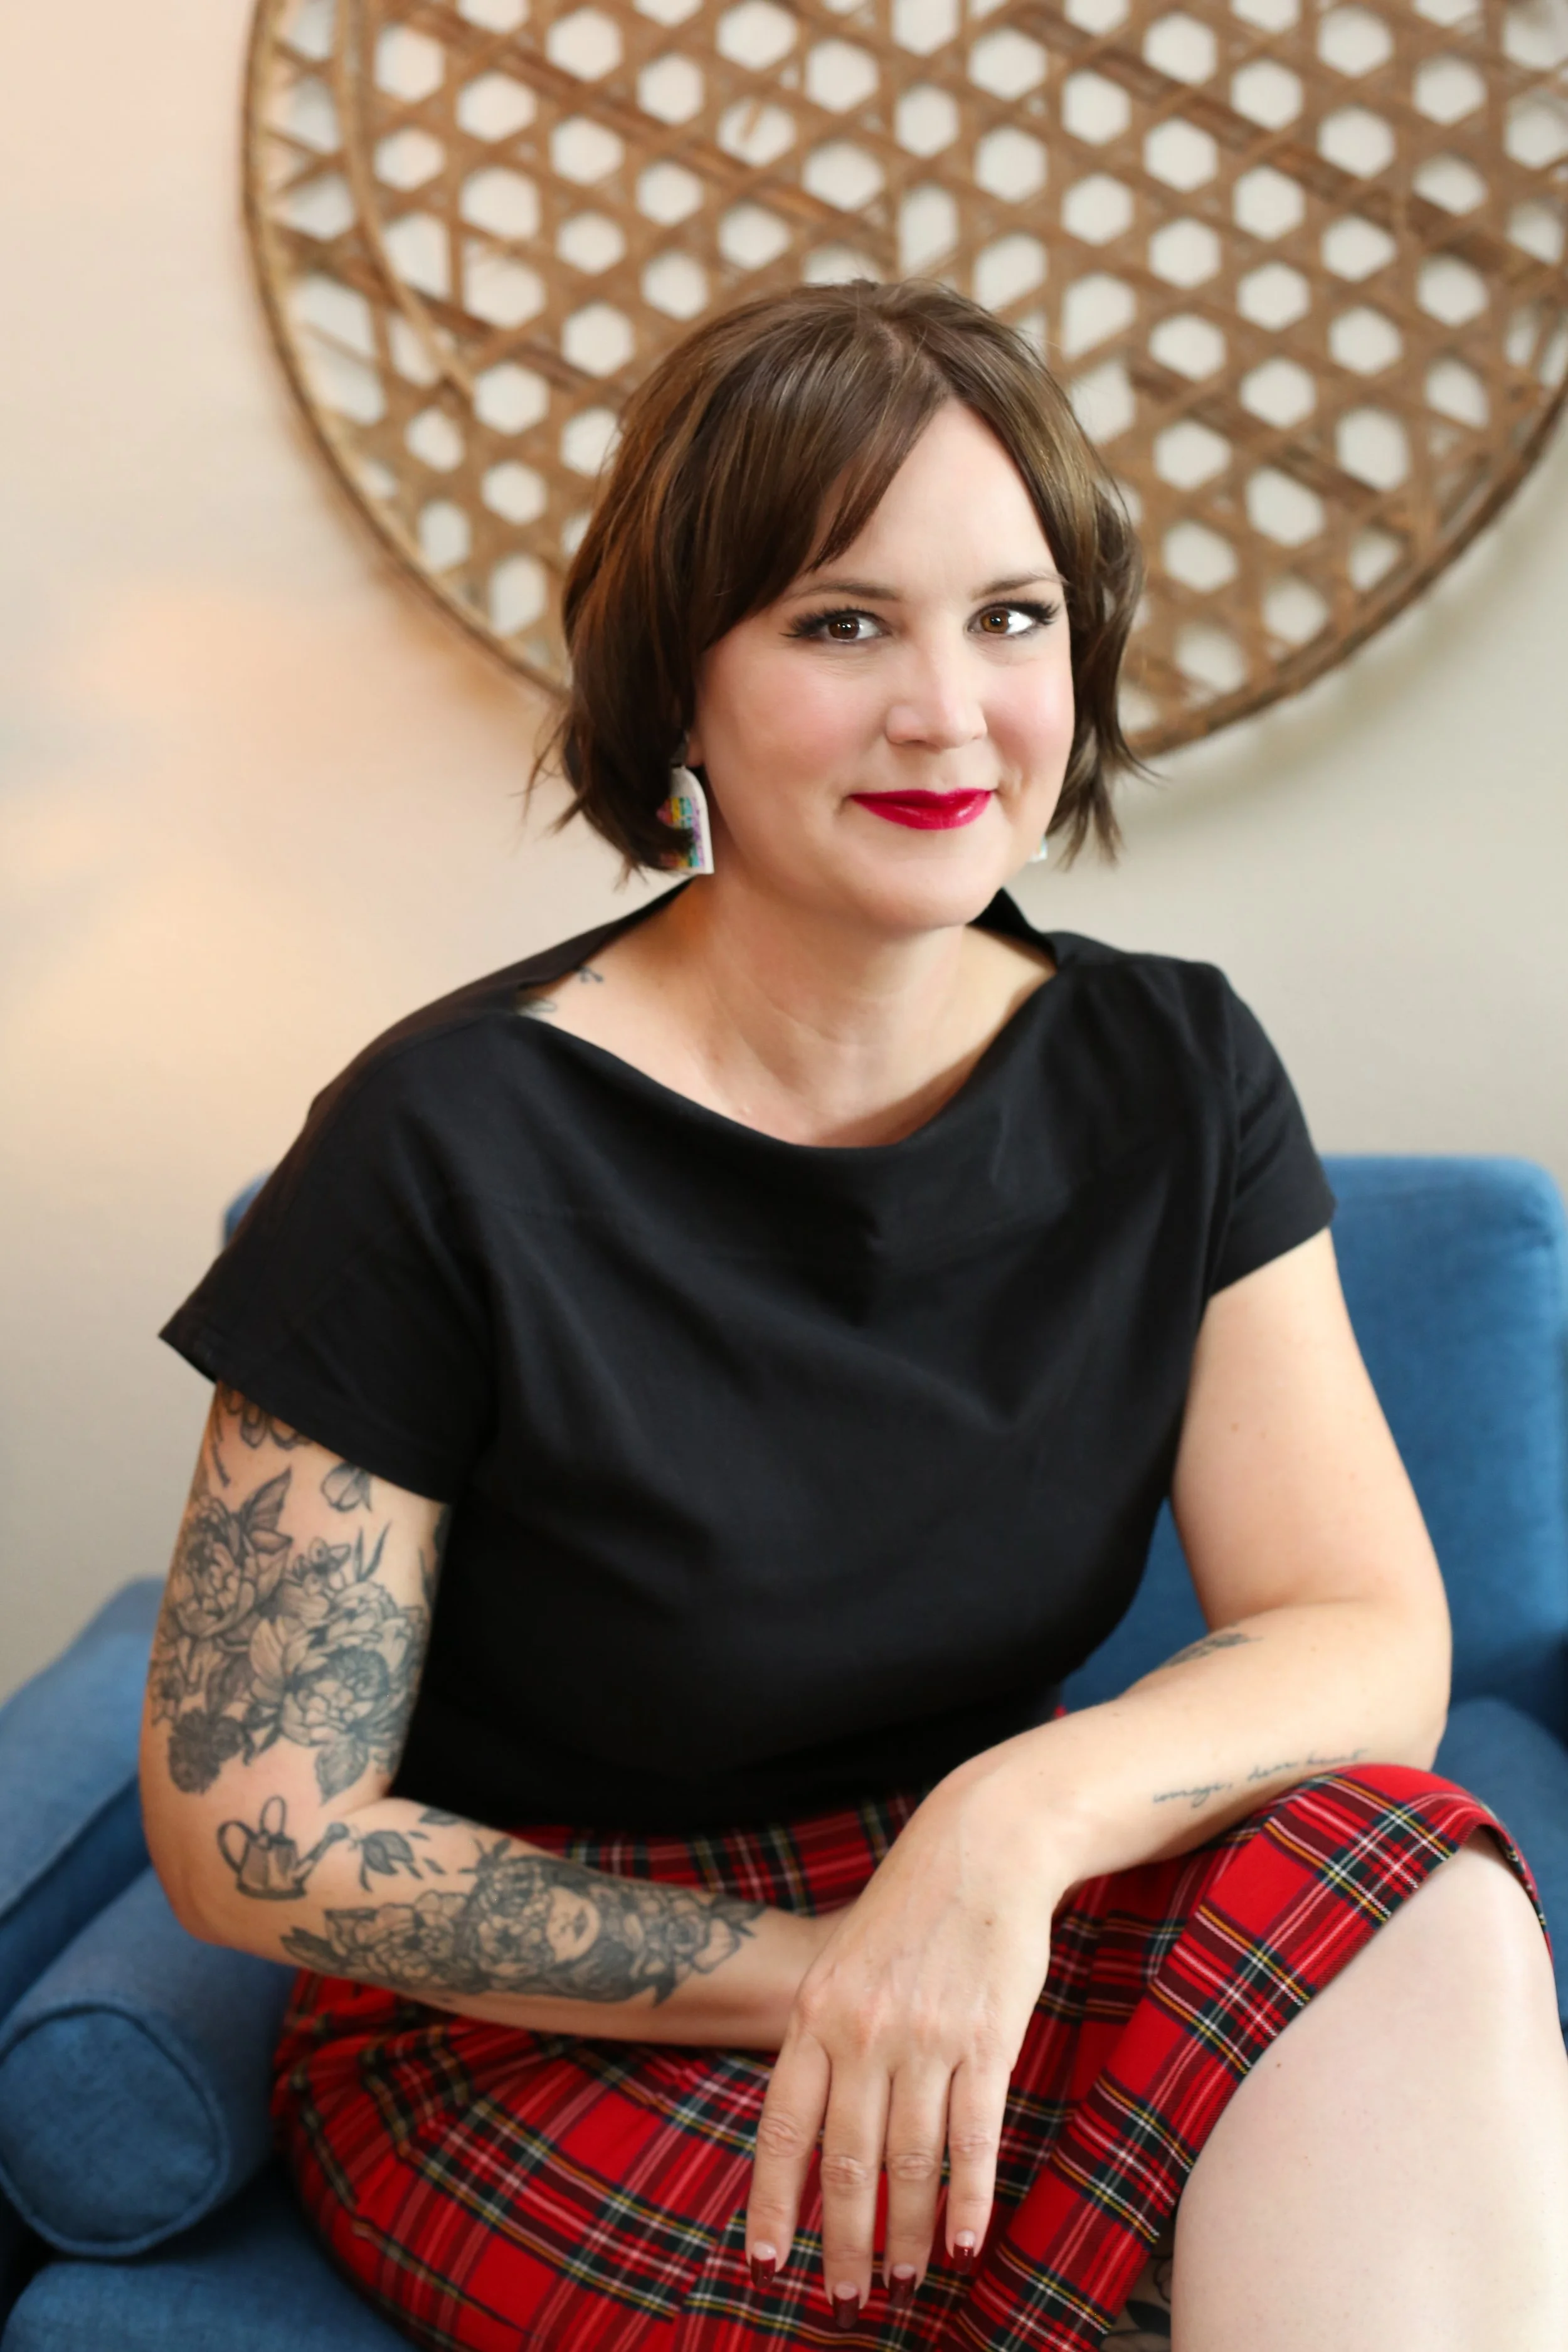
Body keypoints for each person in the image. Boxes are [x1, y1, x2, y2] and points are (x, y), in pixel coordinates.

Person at [140, 278, 1568, 2352]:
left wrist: (1003, 1833)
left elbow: (1362, 1634)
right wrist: (828, 1970)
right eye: (839, 622)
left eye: (1011, 617)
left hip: (996, 1909)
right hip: (554, 2012)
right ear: (677, 683)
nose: (944, 709)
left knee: (1416, 1881)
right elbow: (252, 1831)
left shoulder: (1172, 1071)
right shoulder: (439, 1140)